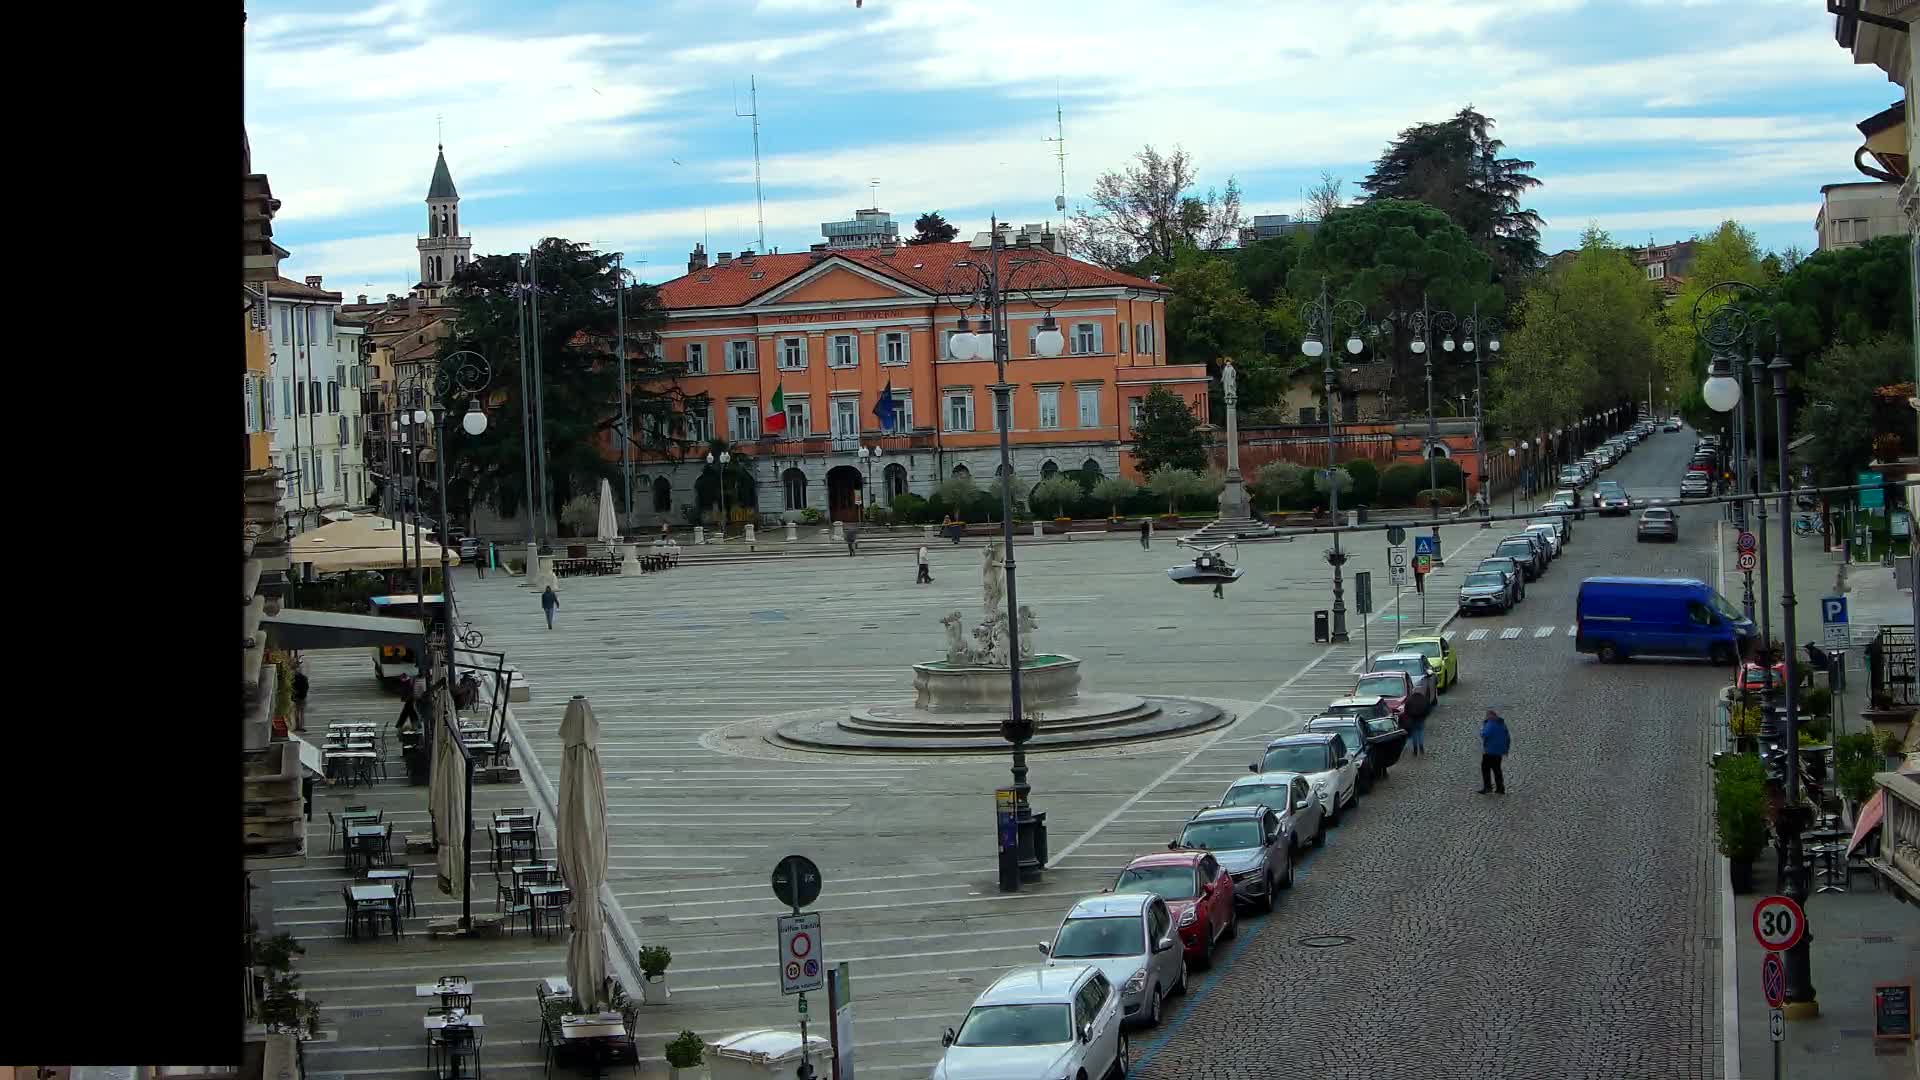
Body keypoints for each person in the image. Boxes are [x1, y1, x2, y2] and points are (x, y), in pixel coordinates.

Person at [1478, 708, 1510, 794]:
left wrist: (1482, 729)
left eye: (1487, 715)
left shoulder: (1490, 723)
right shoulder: (1502, 724)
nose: (1486, 717)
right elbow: (1507, 737)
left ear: (1490, 716)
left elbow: (1485, 734)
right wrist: (1506, 749)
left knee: (1485, 768)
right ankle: (1500, 788)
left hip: (1490, 751)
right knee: (1497, 769)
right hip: (1499, 752)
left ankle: (1487, 787)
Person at [291, 661, 311, 732]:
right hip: (301, 698)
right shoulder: (303, 678)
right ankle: (301, 726)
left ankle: (298, 726)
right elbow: (306, 687)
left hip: (297, 698)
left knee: (297, 712)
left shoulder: (294, 678)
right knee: (300, 712)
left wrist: (294, 696)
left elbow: (292, 688)